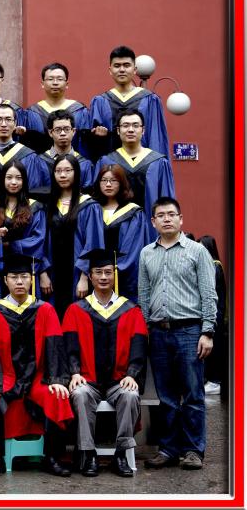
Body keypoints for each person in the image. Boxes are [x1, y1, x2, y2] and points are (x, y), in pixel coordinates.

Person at [0, 252, 74, 478]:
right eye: (14, 277)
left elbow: (55, 346)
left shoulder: (45, 310)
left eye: (24, 277)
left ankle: (52, 457)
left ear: (32, 279)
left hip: (38, 378)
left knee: (56, 394)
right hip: (6, 378)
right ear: (6, 281)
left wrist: (56, 380)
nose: (19, 282)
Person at [139, 197, 217, 471]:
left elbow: (208, 293)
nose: (167, 219)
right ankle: (168, 449)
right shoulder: (146, 253)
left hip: (190, 331)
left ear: (181, 219)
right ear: (154, 222)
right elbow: (144, 293)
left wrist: (208, 331)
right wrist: (145, 330)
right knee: (166, 397)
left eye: (172, 214)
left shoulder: (197, 251)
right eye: (161, 215)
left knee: (193, 394)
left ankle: (193, 450)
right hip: (158, 332)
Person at [62, 248, 148, 478]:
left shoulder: (131, 310)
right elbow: (69, 346)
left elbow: (139, 346)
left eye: (108, 272)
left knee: (130, 395)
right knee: (80, 394)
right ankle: (88, 453)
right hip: (88, 379)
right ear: (90, 276)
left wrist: (132, 374)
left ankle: (121, 453)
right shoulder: (75, 310)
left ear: (114, 275)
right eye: (98, 272)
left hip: (119, 380)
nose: (103, 277)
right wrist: (74, 372)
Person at [40, 154, 105, 319]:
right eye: (58, 171)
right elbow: (41, 242)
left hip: (76, 275)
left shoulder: (89, 206)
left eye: (68, 170)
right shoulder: (47, 206)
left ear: (76, 173)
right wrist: (42, 273)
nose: (63, 175)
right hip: (52, 274)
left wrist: (84, 277)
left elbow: (93, 244)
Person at [93, 110, 175, 237]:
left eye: (135, 125)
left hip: (151, 232)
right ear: (118, 130)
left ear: (143, 130)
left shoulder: (158, 162)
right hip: (114, 234)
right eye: (125, 125)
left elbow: (166, 200)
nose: (130, 130)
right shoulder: (106, 161)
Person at [0, 161, 47, 308]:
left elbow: (39, 239)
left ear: (24, 181)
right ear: (2, 180)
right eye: (9, 177)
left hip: (26, 271)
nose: (14, 182)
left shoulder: (35, 208)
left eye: (18, 178)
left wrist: (10, 244)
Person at [90, 45, 169, 159]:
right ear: (110, 70)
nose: (122, 70)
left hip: (143, 166)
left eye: (126, 65)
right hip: (111, 167)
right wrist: (97, 135)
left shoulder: (150, 100)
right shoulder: (100, 102)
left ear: (135, 69)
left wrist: (155, 165)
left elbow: (156, 139)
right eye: (117, 66)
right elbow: (92, 147)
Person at [91, 164, 150, 302]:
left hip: (124, 277)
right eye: (104, 180)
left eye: (114, 180)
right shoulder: (92, 210)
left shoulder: (133, 213)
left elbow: (134, 248)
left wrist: (112, 270)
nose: (108, 184)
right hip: (95, 276)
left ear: (122, 183)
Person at [24, 63, 92, 155]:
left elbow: (85, 144)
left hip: (74, 162)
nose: (55, 83)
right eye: (50, 79)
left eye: (59, 79)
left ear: (67, 84)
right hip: (41, 162)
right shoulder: (32, 113)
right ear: (42, 84)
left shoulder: (80, 111)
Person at [33, 110, 94, 191]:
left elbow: (87, 192)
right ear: (50, 133)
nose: (62, 133)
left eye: (67, 129)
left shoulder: (84, 164)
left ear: (73, 131)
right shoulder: (39, 162)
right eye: (58, 129)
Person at [198, 235, 227, 397]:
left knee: (214, 350)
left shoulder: (214, 266)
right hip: (215, 314)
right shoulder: (214, 265)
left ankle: (215, 382)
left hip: (215, 315)